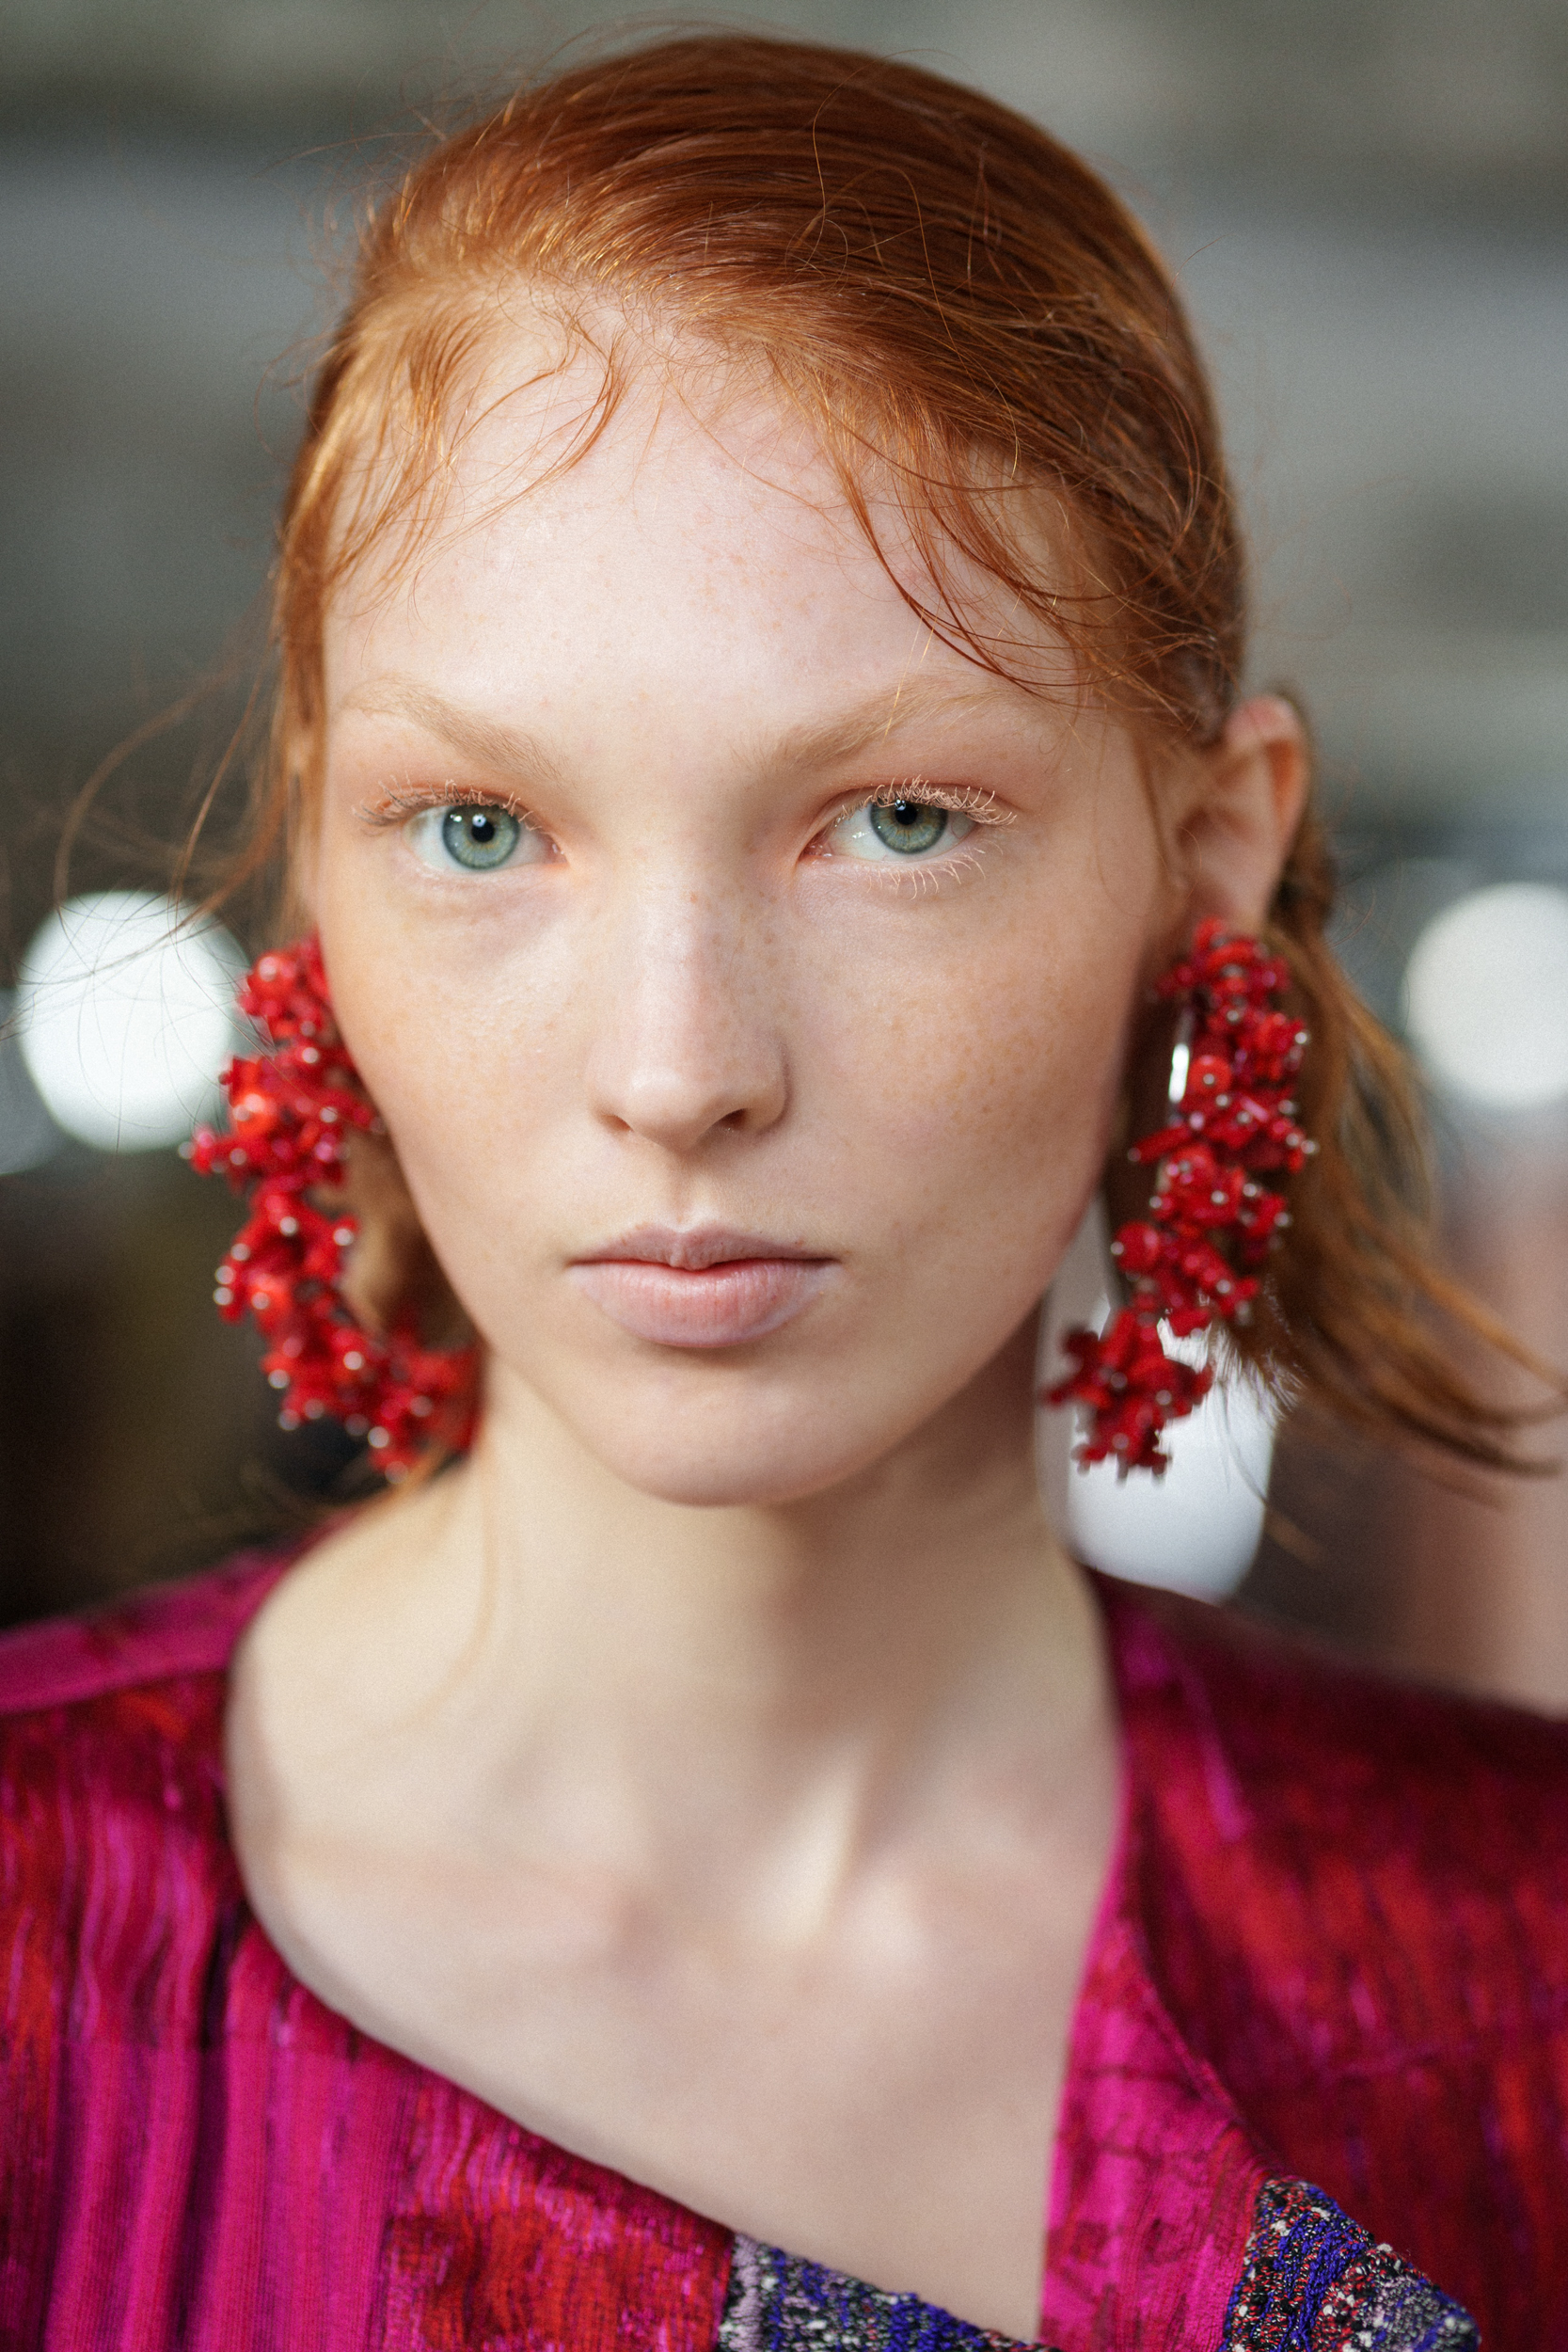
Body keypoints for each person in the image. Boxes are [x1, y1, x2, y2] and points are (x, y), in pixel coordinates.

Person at [2, 35, 1565, 2350]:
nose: (677, 1069)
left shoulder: (1518, 1961)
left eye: (896, 821)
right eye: (483, 828)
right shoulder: (37, 1964)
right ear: (322, 856)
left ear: (1205, 862)